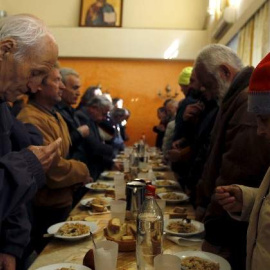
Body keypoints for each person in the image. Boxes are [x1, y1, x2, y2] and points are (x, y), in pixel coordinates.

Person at [195, 44, 270, 270]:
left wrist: (214, 228)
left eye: (208, 86)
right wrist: (246, 199)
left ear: (225, 72)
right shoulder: (235, 99)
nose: (260, 130)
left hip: (230, 234)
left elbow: (238, 169)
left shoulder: (245, 101)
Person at [0, 14, 61, 270]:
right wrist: (28, 164)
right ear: (6, 49)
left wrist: (11, 246)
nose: (34, 85)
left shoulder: (3, 106)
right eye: (35, 73)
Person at [17, 67, 90, 253]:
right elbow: (51, 166)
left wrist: (72, 177)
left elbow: (63, 157)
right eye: (57, 81)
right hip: (44, 206)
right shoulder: (30, 117)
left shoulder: (55, 115)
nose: (62, 86)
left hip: (62, 199)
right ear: (39, 86)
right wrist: (81, 170)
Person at [57, 67, 90, 157]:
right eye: (75, 88)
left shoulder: (71, 110)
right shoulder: (54, 112)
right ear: (61, 87)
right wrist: (79, 134)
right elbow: (59, 147)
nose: (78, 93)